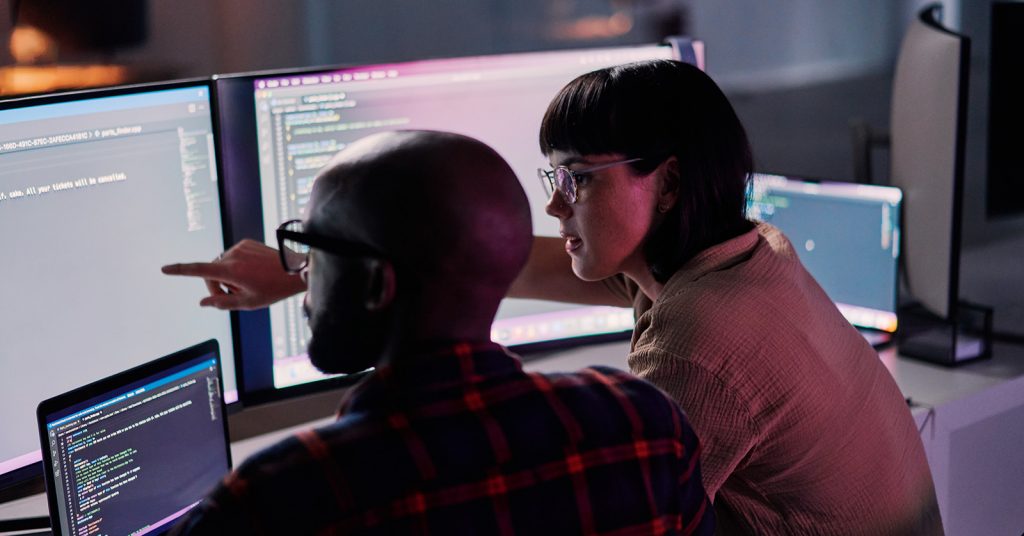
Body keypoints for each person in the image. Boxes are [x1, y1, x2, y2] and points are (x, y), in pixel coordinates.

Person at [165, 61, 941, 534]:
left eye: (577, 178)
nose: (555, 205)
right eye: (551, 179)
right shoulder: (742, 256)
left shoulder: (701, 345)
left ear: (666, 182)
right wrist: (310, 271)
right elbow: (481, 259)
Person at [169, 130, 714, 534]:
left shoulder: (277, 497)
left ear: (378, 284)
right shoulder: (643, 425)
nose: (302, 272)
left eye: (314, 252)